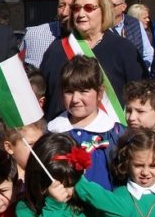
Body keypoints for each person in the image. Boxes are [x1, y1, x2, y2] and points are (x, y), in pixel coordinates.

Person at [40, 0, 145, 120]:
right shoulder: (56, 49)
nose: (81, 14)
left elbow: (140, 96)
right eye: (76, 8)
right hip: (61, 130)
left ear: (104, 10)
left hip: (109, 132)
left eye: (88, 8)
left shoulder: (123, 49)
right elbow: (44, 95)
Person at [15, 133, 98, 217]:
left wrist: (81, 184)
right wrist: (53, 205)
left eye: (70, 184)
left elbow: (120, 213)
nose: (65, 191)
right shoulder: (25, 208)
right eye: (60, 185)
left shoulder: (84, 203)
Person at [46, 56, 125, 190]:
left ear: (100, 92)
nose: (75, 99)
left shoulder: (115, 134)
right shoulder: (52, 132)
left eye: (83, 91)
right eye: (69, 92)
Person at [21, 0, 87, 67]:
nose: (64, 13)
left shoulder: (99, 40)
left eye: (72, 7)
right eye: (61, 5)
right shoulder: (34, 36)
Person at [109, 0, 154, 66]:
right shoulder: (102, 26)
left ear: (123, 7)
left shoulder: (135, 24)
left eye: (113, 5)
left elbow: (148, 52)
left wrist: (143, 69)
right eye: (106, 5)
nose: (108, 8)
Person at [0, 119, 45, 184]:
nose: (38, 148)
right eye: (30, 144)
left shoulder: (47, 175)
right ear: (9, 147)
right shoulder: (2, 182)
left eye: (41, 142)